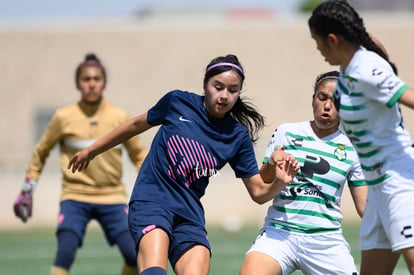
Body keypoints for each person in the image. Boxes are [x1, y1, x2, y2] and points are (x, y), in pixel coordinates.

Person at [67, 54, 299, 275]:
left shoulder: (237, 136)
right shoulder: (177, 102)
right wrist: (91, 150)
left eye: (232, 90)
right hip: (152, 201)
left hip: (189, 213)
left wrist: (279, 182)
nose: (224, 96)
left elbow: (258, 192)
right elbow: (135, 125)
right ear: (205, 84)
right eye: (218, 87)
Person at [13, 53, 147, 275]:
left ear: (104, 82)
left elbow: (139, 155)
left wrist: (150, 188)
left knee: (135, 255)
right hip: (75, 196)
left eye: (96, 79)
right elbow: (40, 152)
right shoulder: (63, 117)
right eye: (86, 79)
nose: (91, 84)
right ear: (78, 83)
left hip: (112, 196)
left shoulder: (118, 116)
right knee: (65, 253)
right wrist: (28, 189)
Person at [308, 1, 414, 274]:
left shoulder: (367, 67)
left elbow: (410, 96)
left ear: (332, 39)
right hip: (377, 188)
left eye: (317, 41)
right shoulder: (345, 73)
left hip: (400, 182)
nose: (317, 50)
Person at [239, 71, 368, 275]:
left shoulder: (353, 148)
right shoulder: (286, 133)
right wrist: (273, 162)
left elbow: (365, 207)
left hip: (326, 241)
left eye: (336, 101)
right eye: (322, 97)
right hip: (279, 233)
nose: (327, 105)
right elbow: (263, 183)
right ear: (313, 99)